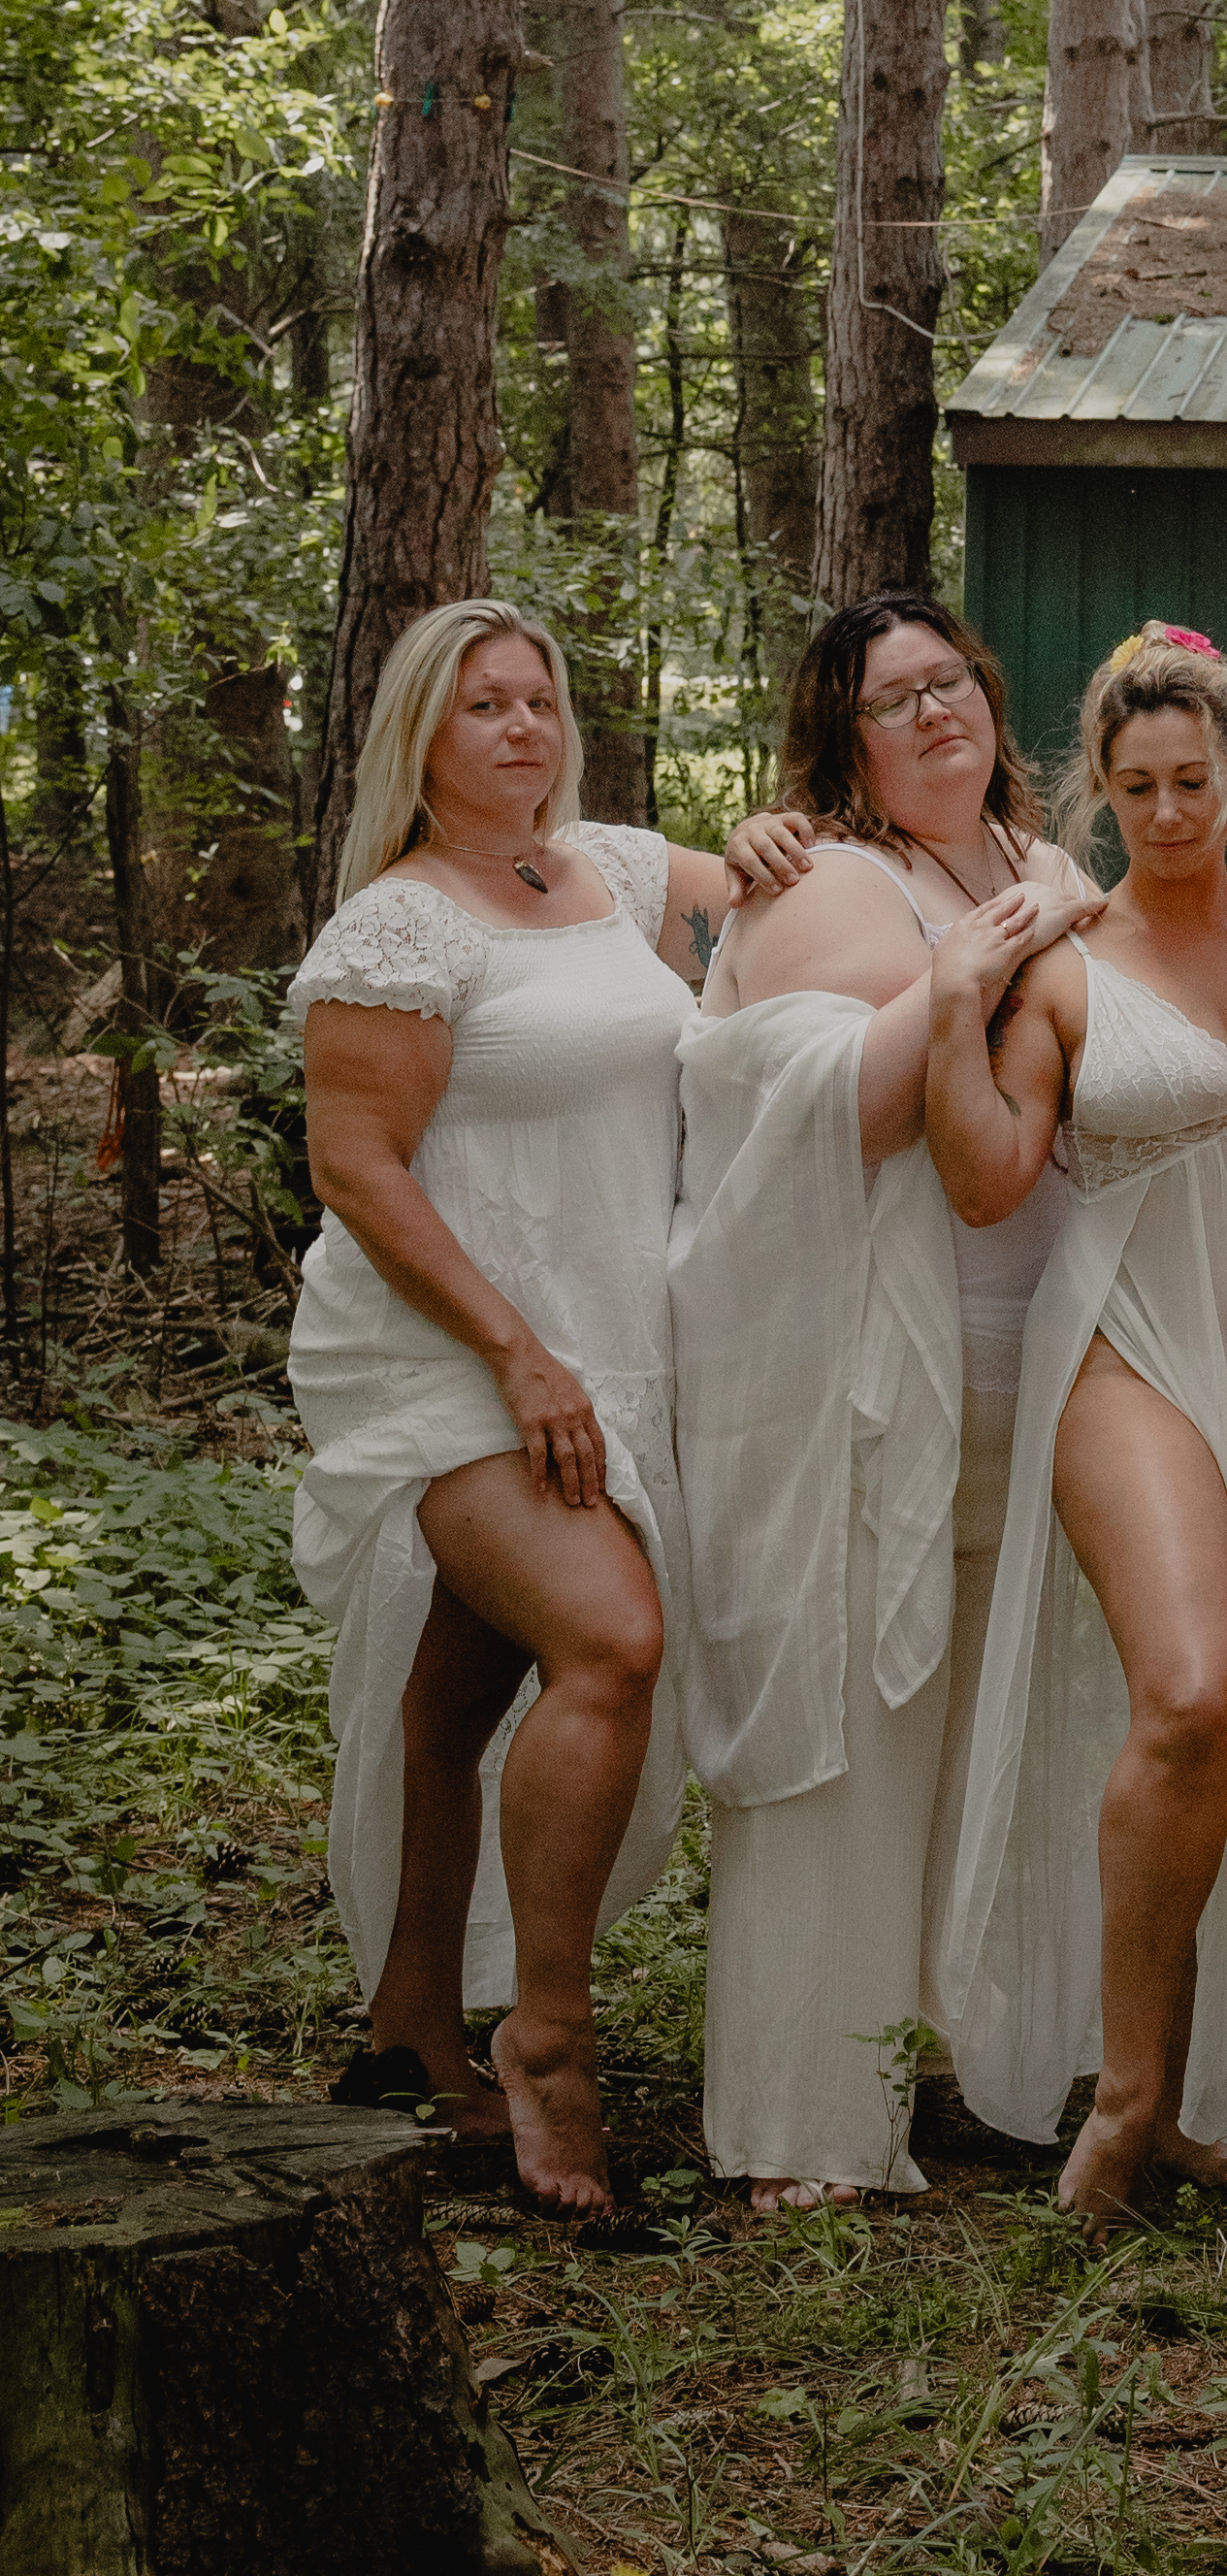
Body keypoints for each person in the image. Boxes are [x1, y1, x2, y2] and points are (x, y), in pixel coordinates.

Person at [288, 601, 742, 2221]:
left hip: (609, 1331)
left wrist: (777, 841)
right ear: (424, 733)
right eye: (483, 706)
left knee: (461, 1682)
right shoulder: (397, 933)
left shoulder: (605, 873)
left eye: (539, 699)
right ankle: (546, 2038)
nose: (521, 729)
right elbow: (357, 1169)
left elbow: (771, 886)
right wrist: (516, 1351)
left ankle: (409, 2021)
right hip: (450, 1350)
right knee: (611, 1639)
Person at [673, 598, 1093, 2205]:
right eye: (891, 699)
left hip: (1046, 1358)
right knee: (861, 1731)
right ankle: (808, 2118)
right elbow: (830, 1112)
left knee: (993, 1716)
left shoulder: (1039, 867)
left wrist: (1035, 912)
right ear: (843, 741)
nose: (934, 714)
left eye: (952, 684)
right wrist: (976, 963)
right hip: (881, 1368)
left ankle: (967, 2051)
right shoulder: (835, 879)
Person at [922, 624, 1227, 2220]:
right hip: (1125, 1340)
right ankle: (1126, 2095)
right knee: (1191, 1691)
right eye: (1137, 782)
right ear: (1098, 788)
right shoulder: (1064, 967)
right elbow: (983, 1179)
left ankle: (1206, 2083)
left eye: (1195, 778)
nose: (1168, 807)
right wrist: (964, 988)